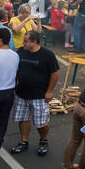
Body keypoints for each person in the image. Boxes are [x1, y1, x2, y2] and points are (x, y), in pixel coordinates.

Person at [14, 28, 62, 158]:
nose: (23, 43)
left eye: (25, 41)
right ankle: (24, 141)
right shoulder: (21, 52)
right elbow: (17, 68)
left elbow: (55, 73)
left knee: (41, 122)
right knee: (23, 118)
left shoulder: (47, 55)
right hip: (21, 93)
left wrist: (50, 91)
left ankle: (43, 140)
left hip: (39, 95)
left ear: (34, 42)